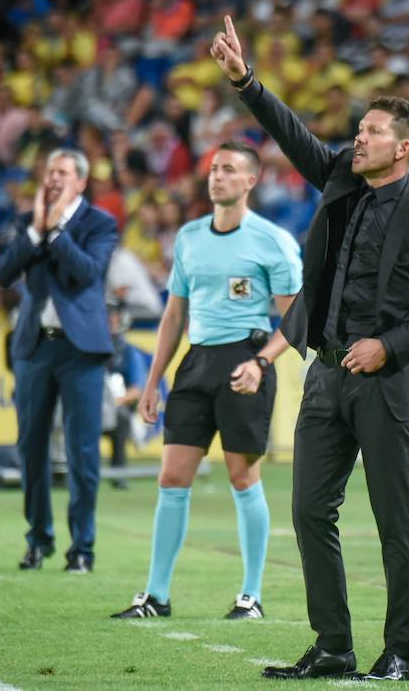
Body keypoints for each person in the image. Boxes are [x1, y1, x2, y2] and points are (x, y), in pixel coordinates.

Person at [211, 16, 409, 681]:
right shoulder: (341, 179)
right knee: (307, 511)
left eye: (374, 131)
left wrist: (390, 345)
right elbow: (292, 132)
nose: (360, 135)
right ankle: (333, 646)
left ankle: (401, 653)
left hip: (384, 381)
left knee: (394, 521)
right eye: (361, 127)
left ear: (403, 148)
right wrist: (246, 82)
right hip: (325, 375)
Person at [111, 141, 303, 620]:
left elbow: (298, 319)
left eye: (229, 170)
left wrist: (260, 363)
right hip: (196, 363)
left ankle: (251, 595)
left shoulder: (272, 240)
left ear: (251, 181)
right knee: (172, 476)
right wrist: (154, 381)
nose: (217, 177)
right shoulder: (190, 237)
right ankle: (156, 595)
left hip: (245, 361)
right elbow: (174, 315)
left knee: (243, 477)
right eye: (214, 169)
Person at [0, 148, 118, 575]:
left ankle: (82, 548)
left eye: (63, 172)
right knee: (30, 445)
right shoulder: (28, 221)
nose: (54, 178)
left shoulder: (99, 224)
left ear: (81, 181)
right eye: (49, 171)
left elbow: (87, 273)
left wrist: (57, 230)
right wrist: (34, 232)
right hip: (34, 346)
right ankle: (38, 539)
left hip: (80, 349)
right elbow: (2, 274)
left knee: (83, 451)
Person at [102, 297, 147, 489]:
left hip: (115, 406)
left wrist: (115, 402)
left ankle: (118, 473)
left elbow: (136, 389)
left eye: (113, 315)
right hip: (90, 404)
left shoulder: (127, 351)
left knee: (120, 419)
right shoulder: (86, 347)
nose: (110, 319)